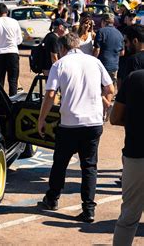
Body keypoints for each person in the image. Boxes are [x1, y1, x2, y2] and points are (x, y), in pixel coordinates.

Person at [37, 33, 114, 223]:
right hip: (93, 122)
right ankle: (88, 209)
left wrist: (41, 119)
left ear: (63, 49)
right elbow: (110, 89)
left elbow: (50, 95)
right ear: (78, 45)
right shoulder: (94, 62)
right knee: (89, 166)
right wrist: (103, 105)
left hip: (70, 123)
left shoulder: (59, 65)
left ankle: (52, 198)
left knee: (60, 163)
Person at [110, 69, 144, 246]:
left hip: (136, 156)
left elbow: (114, 118)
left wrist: (134, 122)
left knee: (129, 217)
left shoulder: (134, 78)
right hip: (135, 155)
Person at [0, 3, 23, 96]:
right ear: (7, 12)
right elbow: (19, 40)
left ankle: (0, 106)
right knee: (13, 81)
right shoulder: (15, 22)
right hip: (13, 53)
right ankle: (13, 105)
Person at [93, 13, 124, 87]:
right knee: (110, 89)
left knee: (99, 89)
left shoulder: (101, 31)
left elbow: (97, 50)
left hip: (102, 66)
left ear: (103, 21)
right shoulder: (119, 34)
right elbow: (122, 53)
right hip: (114, 67)